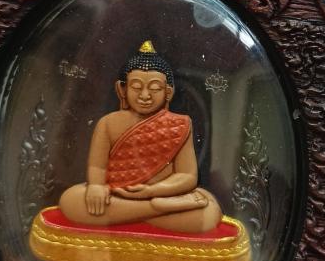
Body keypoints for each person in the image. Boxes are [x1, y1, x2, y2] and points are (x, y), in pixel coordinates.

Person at [59, 41, 221, 232]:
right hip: (116, 196)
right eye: (136, 87)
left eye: (155, 88)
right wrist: (95, 186)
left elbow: (187, 176)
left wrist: (152, 191)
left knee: (210, 213)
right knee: (70, 199)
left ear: (168, 92)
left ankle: (145, 211)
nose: (145, 95)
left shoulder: (180, 124)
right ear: (122, 89)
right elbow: (97, 166)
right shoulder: (108, 123)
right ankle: (157, 209)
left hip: (163, 195)